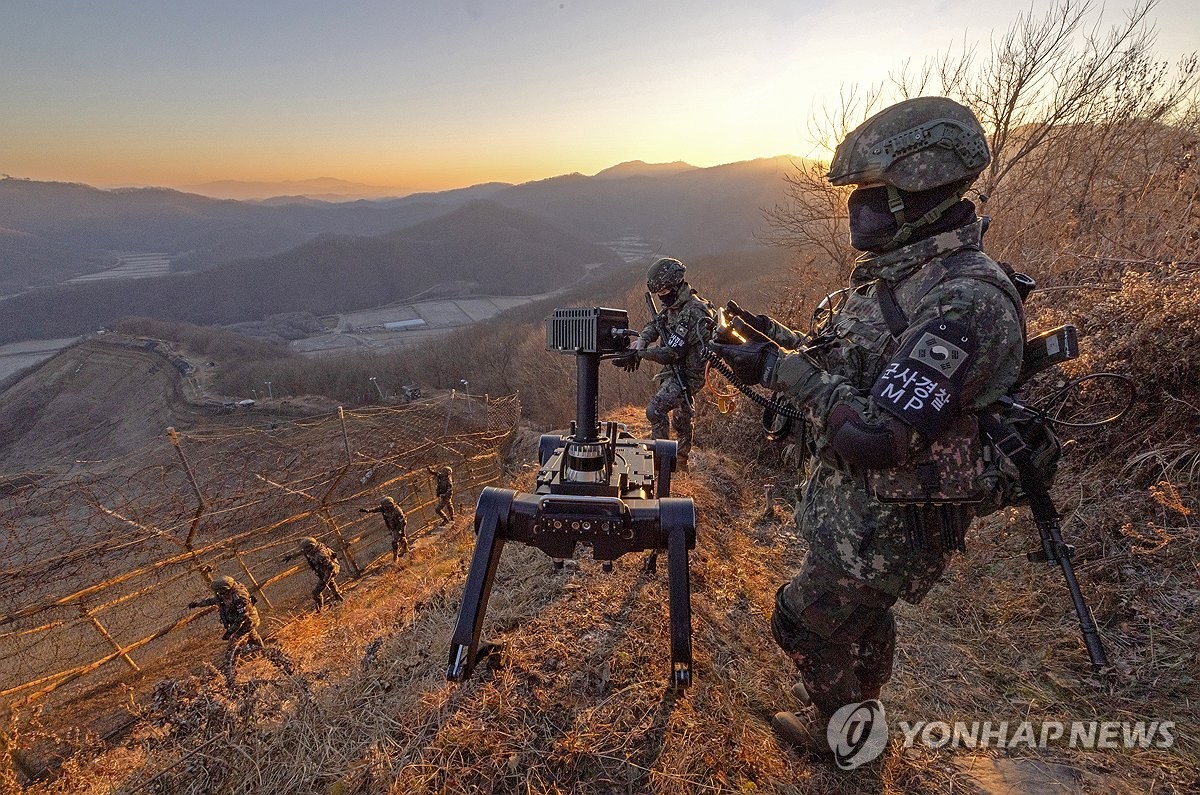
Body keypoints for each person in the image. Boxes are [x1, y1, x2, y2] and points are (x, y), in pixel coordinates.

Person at [709, 97, 1025, 754]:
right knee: (861, 621)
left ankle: (842, 741)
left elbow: (878, 434)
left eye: (872, 192)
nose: (858, 207)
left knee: (801, 623)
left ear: (923, 191)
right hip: (857, 516)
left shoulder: (965, 297)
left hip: (888, 522)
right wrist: (781, 345)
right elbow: (857, 373)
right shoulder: (908, 274)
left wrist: (782, 371)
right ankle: (862, 728)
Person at [613, 257, 715, 473]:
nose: (661, 296)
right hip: (675, 370)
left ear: (677, 285)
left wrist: (641, 353)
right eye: (658, 292)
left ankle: (662, 460)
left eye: (665, 290)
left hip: (690, 374)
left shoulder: (694, 311)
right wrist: (642, 339)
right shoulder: (675, 306)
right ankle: (678, 460)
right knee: (682, 414)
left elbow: (672, 352)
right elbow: (656, 323)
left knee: (656, 410)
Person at [188, 575, 264, 649]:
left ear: (225, 589)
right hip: (242, 621)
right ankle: (264, 651)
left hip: (249, 620)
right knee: (253, 637)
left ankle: (233, 660)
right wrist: (197, 604)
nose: (219, 593)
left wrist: (230, 632)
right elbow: (214, 600)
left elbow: (243, 616)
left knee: (233, 643)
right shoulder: (227, 593)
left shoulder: (239, 596)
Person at [290, 536, 344, 611]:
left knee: (316, 593)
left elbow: (330, 567)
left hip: (331, 570)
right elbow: (304, 551)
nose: (305, 551)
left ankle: (320, 610)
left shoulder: (320, 555)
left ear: (310, 547)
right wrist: (292, 556)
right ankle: (340, 598)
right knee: (331, 583)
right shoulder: (317, 546)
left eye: (306, 549)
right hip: (329, 569)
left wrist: (325, 580)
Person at [360, 496, 409, 561]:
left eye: (386, 506)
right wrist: (368, 511)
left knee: (394, 542)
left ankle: (395, 556)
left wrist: (402, 531)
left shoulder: (397, 510)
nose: (385, 508)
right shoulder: (385, 508)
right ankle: (405, 549)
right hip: (392, 527)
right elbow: (377, 509)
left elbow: (403, 522)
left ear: (390, 505)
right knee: (401, 539)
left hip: (398, 527)